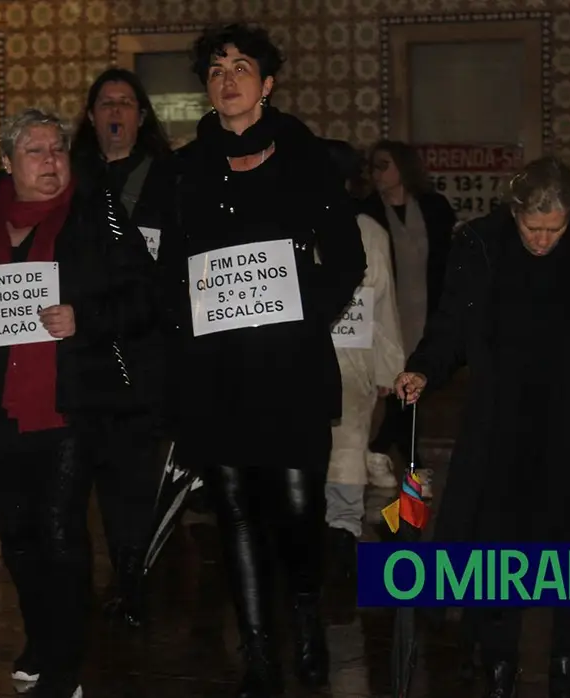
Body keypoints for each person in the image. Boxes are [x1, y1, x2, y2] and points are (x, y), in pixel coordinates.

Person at [0, 108, 157, 698]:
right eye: (36, 152)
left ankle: (67, 660)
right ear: (7, 163)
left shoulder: (97, 213)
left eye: (59, 151)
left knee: (61, 529)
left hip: (67, 400)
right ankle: (42, 636)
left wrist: (84, 318)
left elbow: (146, 294)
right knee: (17, 532)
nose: (51, 163)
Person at [158, 24, 366, 696]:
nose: (228, 79)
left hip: (291, 367)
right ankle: (256, 651)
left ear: (267, 83)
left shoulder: (307, 157)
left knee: (299, 510)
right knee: (235, 512)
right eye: (216, 69)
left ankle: (305, 618)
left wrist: (306, 313)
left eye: (242, 67)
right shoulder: (185, 168)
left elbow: (347, 257)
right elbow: (169, 269)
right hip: (215, 372)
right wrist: (185, 313)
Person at [393, 157, 570, 698]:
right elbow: (451, 325)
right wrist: (423, 369)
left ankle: (565, 667)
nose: (540, 240)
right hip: (501, 425)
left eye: (553, 229)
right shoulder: (480, 245)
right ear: (513, 213)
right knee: (498, 548)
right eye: (532, 228)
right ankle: (500, 665)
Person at [70, 67, 175, 626]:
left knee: (130, 478)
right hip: (81, 349)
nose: (116, 111)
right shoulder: (69, 176)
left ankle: (129, 584)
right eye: (106, 102)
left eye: (127, 102)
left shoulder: (167, 177)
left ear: (141, 115)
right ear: (91, 117)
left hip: (144, 349)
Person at [321, 139, 404, 572]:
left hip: (337, 357)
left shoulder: (365, 233)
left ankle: (338, 526)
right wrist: (390, 367)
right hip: (350, 359)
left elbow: (382, 304)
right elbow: (385, 305)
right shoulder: (370, 232)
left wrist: (391, 367)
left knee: (343, 441)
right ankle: (341, 525)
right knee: (347, 441)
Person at [363, 140, 457, 479]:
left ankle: (390, 447)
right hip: (387, 311)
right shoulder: (368, 211)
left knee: (415, 377)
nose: (377, 174)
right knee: (394, 381)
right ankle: (403, 450)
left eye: (384, 165)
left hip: (427, 309)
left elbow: (447, 260)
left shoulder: (434, 208)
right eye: (373, 166)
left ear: (403, 167)